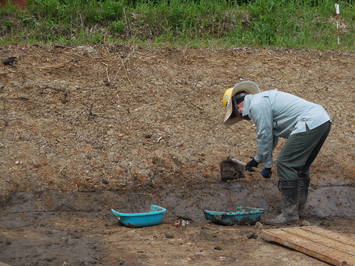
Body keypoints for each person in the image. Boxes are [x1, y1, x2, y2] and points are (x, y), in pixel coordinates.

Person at [222, 81, 331, 225]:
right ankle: (297, 213)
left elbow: (265, 134)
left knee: (286, 164)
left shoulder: (256, 105)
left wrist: (268, 166)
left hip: (309, 122)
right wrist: (257, 159)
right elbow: (272, 136)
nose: (242, 117)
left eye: (237, 114)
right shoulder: (262, 100)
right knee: (300, 168)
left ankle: (289, 215)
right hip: (322, 121)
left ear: (238, 104)